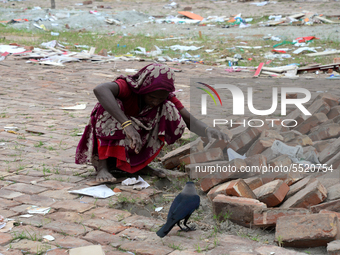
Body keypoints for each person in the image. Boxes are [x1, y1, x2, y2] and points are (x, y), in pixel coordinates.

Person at [75, 63, 229, 182]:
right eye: (152, 97)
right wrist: (126, 125)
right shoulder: (128, 86)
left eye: (160, 98)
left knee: (168, 109)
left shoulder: (164, 98)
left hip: (138, 127)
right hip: (117, 125)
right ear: (144, 88)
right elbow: (100, 89)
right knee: (106, 108)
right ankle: (103, 166)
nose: (155, 102)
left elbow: (187, 118)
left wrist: (207, 130)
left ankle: (138, 166)